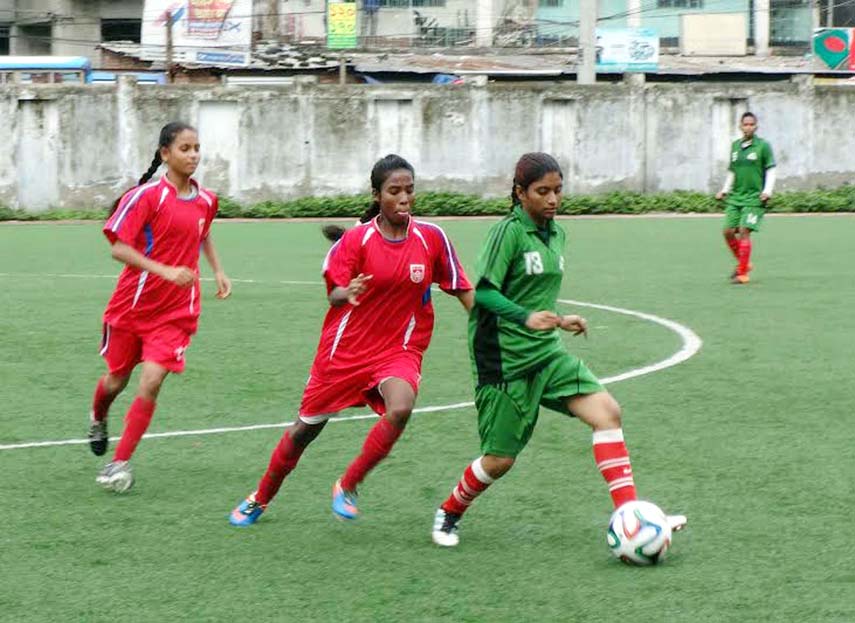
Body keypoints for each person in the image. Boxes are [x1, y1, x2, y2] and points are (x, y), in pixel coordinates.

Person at [430, 153, 686, 547]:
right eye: (542, 191)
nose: (552, 199)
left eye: (557, 190)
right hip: (504, 361)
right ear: (520, 193)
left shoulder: (557, 233)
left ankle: (631, 516)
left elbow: (536, 293)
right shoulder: (508, 233)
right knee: (499, 459)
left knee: (608, 414)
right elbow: (482, 294)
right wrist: (524, 317)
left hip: (547, 354)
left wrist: (560, 319)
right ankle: (449, 512)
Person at [229, 154, 473, 527]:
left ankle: (349, 483)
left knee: (402, 407)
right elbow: (334, 294)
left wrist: (490, 327)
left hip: (399, 348)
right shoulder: (356, 241)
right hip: (344, 353)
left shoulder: (431, 238)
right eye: (395, 191)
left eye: (409, 190)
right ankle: (260, 497)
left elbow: (460, 287)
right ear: (377, 196)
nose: (404, 198)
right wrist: (348, 291)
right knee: (302, 433)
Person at [89, 121, 232, 493]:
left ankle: (119, 462)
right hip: (131, 307)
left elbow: (202, 233)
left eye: (197, 147)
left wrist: (217, 270)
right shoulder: (146, 197)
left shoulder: (207, 200)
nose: (194, 155)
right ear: (165, 154)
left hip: (176, 313)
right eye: (185, 148)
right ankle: (98, 416)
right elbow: (117, 247)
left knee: (151, 381)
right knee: (116, 380)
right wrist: (164, 270)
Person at [715, 112, 776, 284]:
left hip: (754, 198)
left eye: (751, 124)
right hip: (736, 197)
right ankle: (745, 264)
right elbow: (732, 171)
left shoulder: (763, 146)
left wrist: (767, 191)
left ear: (756, 126)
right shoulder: (735, 146)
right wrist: (725, 190)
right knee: (727, 232)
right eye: (745, 124)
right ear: (740, 126)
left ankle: (742, 274)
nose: (748, 127)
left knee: (743, 231)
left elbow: (771, 169)